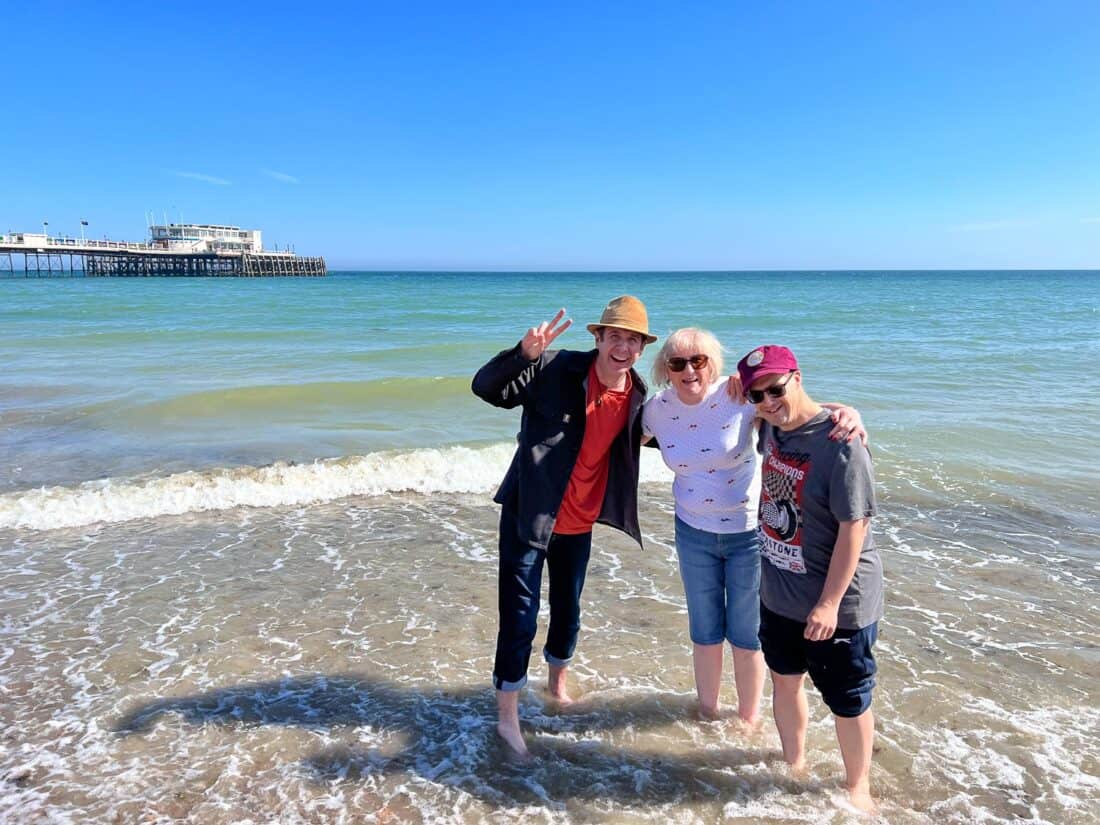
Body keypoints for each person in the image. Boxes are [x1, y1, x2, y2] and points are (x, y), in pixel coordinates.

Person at [642, 329, 863, 726]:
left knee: (746, 634)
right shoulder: (656, 410)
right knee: (704, 631)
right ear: (665, 370)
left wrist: (846, 411)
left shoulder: (738, 397)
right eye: (678, 363)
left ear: (713, 365)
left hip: (748, 534)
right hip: (692, 532)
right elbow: (615, 436)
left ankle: (748, 721)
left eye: (699, 361)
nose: (689, 370)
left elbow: (793, 409)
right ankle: (707, 714)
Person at [471, 296, 655, 757]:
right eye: (615, 336)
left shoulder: (637, 395)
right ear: (597, 338)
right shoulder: (554, 368)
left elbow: (687, 422)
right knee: (519, 616)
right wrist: (522, 354)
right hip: (529, 512)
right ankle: (507, 717)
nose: (623, 347)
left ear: (642, 349)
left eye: (633, 340)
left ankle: (557, 686)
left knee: (568, 609)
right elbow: (487, 388)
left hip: (580, 521)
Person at [736, 344, 882, 813]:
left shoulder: (842, 444)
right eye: (757, 395)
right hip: (779, 593)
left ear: (797, 378)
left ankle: (857, 785)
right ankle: (793, 764)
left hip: (838, 603)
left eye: (775, 389)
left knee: (848, 699)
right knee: (785, 682)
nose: (768, 401)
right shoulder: (770, 430)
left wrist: (829, 603)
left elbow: (854, 527)